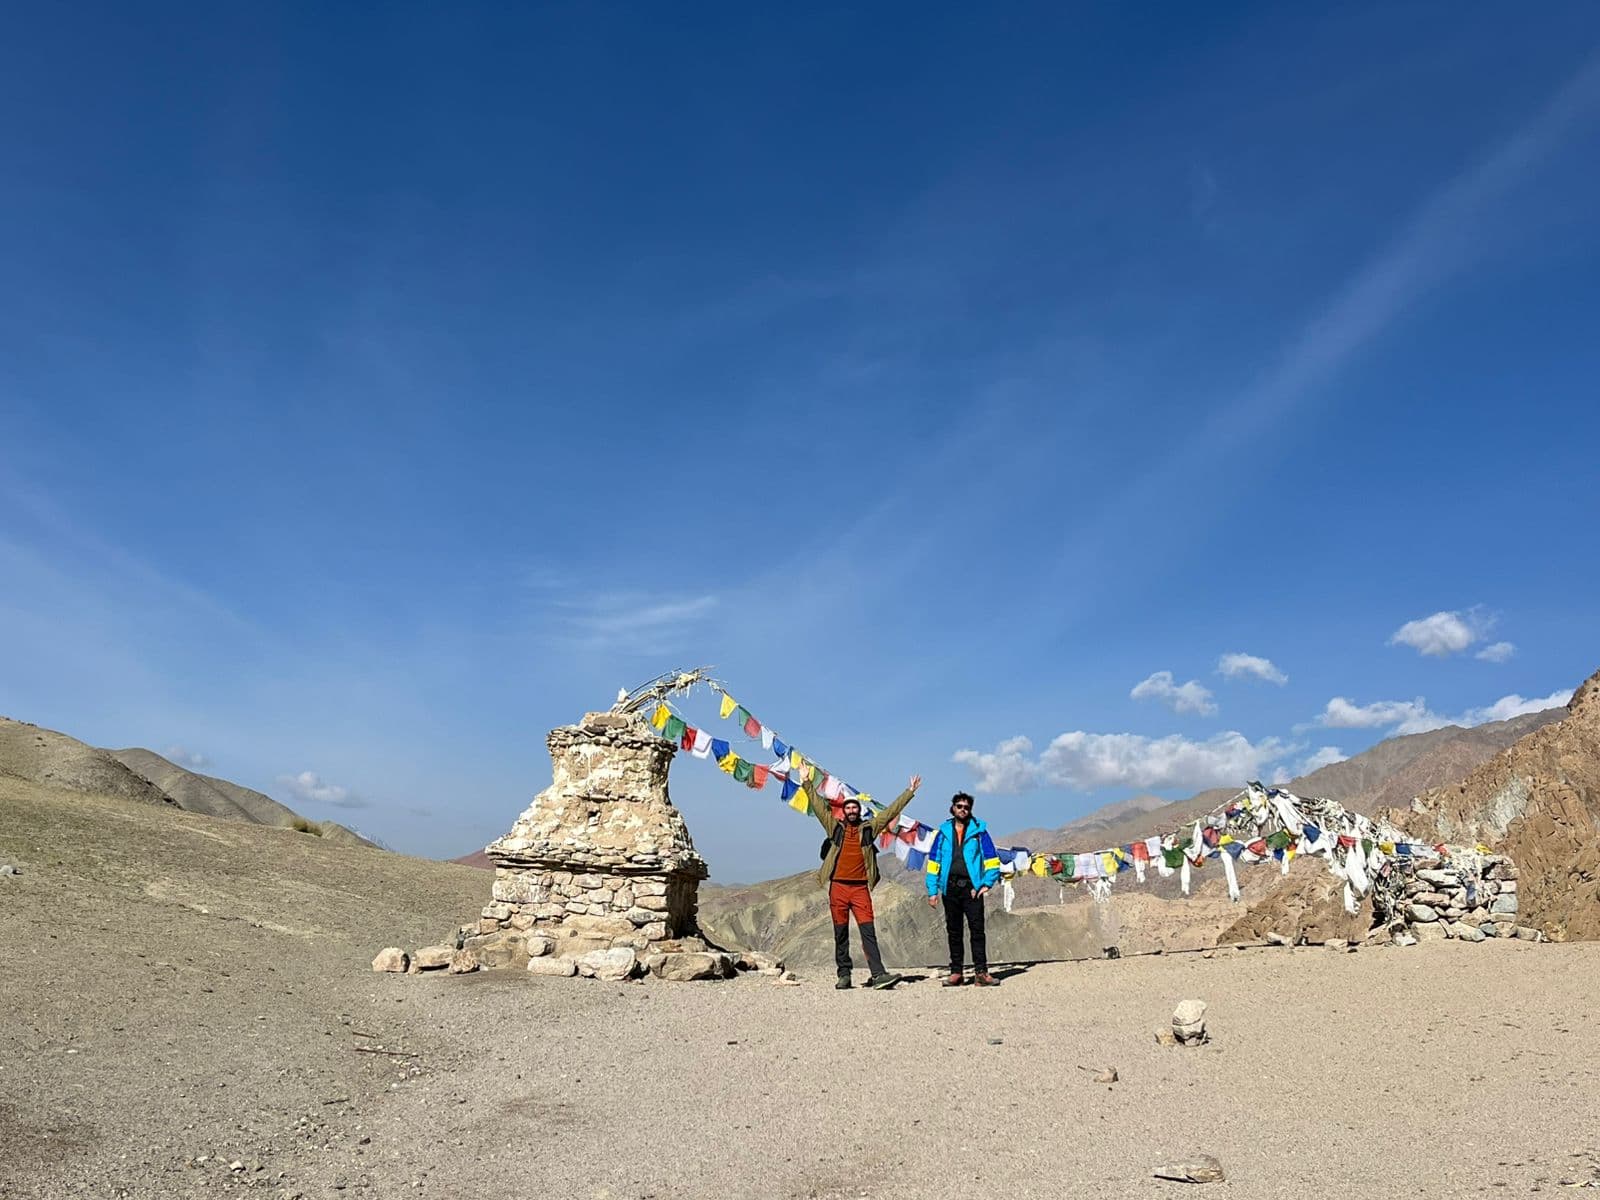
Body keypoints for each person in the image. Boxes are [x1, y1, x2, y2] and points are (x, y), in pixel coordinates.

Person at [811, 774, 921, 990]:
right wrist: (807, 783)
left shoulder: (870, 828)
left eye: (855, 808)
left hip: (860, 889)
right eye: (848, 808)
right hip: (838, 888)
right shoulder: (835, 828)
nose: (852, 811)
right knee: (840, 933)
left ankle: (878, 974)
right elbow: (817, 807)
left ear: (859, 811)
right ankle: (844, 975)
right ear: (843, 811)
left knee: (868, 931)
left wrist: (909, 792)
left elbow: (890, 811)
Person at [924, 792, 1001, 986]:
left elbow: (991, 859)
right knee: (954, 931)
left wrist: (986, 883)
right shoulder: (943, 832)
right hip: (949, 889)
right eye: (959, 806)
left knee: (977, 931)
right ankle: (956, 972)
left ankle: (981, 973)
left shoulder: (979, 831)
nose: (962, 810)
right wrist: (933, 890)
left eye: (966, 807)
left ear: (970, 810)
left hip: (972, 890)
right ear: (952, 808)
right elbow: (934, 862)